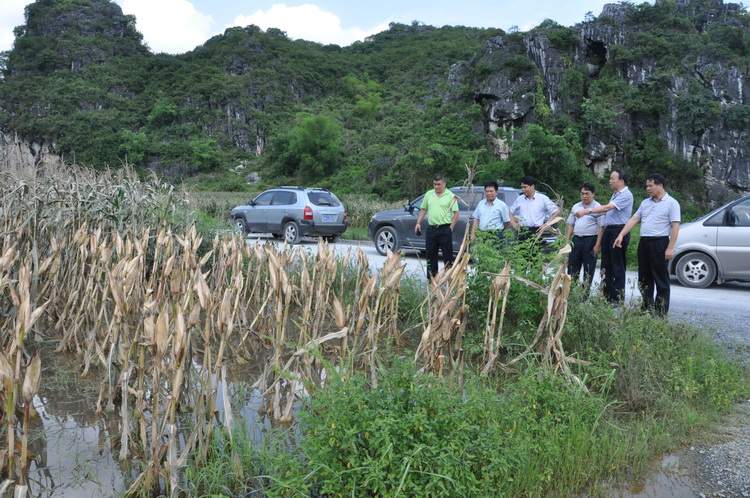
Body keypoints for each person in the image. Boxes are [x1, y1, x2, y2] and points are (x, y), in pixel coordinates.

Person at [614, 174, 680, 316]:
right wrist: (621, 234)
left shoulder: (671, 203)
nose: (648, 189)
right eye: (647, 186)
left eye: (651, 186)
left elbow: (675, 227)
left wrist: (670, 247)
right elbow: (634, 219)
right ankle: (647, 307)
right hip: (644, 243)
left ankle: (661, 311)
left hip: (660, 243)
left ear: (660, 185)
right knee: (644, 278)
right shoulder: (645, 203)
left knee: (661, 278)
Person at [575, 169, 633, 304]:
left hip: (618, 231)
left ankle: (617, 298)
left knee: (617, 265)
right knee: (606, 265)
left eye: (612, 178)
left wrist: (587, 211)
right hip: (609, 230)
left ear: (621, 181)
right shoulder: (615, 194)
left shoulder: (626, 195)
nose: (610, 181)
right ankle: (606, 295)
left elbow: (607, 208)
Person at [415, 175, 460, 280]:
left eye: (438, 184)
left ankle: (449, 279)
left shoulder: (451, 195)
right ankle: (432, 279)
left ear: (444, 184)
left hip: (445, 229)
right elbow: (423, 209)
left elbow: (456, 213)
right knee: (430, 256)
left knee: (447, 256)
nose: (436, 187)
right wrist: (418, 222)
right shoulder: (429, 194)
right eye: (434, 184)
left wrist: (451, 228)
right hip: (432, 229)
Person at [565, 182, 604, 287]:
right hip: (576, 240)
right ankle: (570, 293)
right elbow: (571, 224)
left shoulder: (597, 207)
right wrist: (567, 241)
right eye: (582, 193)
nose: (584, 196)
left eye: (587, 193)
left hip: (590, 240)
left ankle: (584, 295)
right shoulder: (576, 206)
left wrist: (597, 245)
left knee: (588, 269)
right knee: (572, 267)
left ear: (593, 194)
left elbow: (601, 227)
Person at [509, 176, 560, 242]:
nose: (523, 189)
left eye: (525, 187)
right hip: (522, 231)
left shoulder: (542, 198)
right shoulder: (520, 198)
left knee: (535, 251)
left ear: (532, 186)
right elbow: (511, 211)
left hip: (536, 231)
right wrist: (514, 223)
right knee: (521, 251)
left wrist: (546, 224)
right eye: (522, 187)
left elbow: (556, 211)